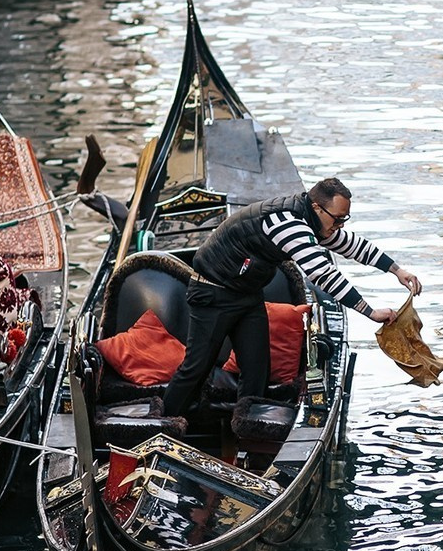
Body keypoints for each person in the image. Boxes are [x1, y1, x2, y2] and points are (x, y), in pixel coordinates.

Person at [161, 177, 420, 419]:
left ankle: (248, 437)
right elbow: (322, 273)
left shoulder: (314, 218)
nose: (340, 226)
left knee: (256, 369)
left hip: (247, 293)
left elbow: (351, 245)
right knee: (196, 368)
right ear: (317, 207)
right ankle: (163, 425)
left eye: (345, 219)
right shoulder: (287, 223)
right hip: (212, 292)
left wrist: (397, 270)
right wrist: (370, 312)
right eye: (338, 219)